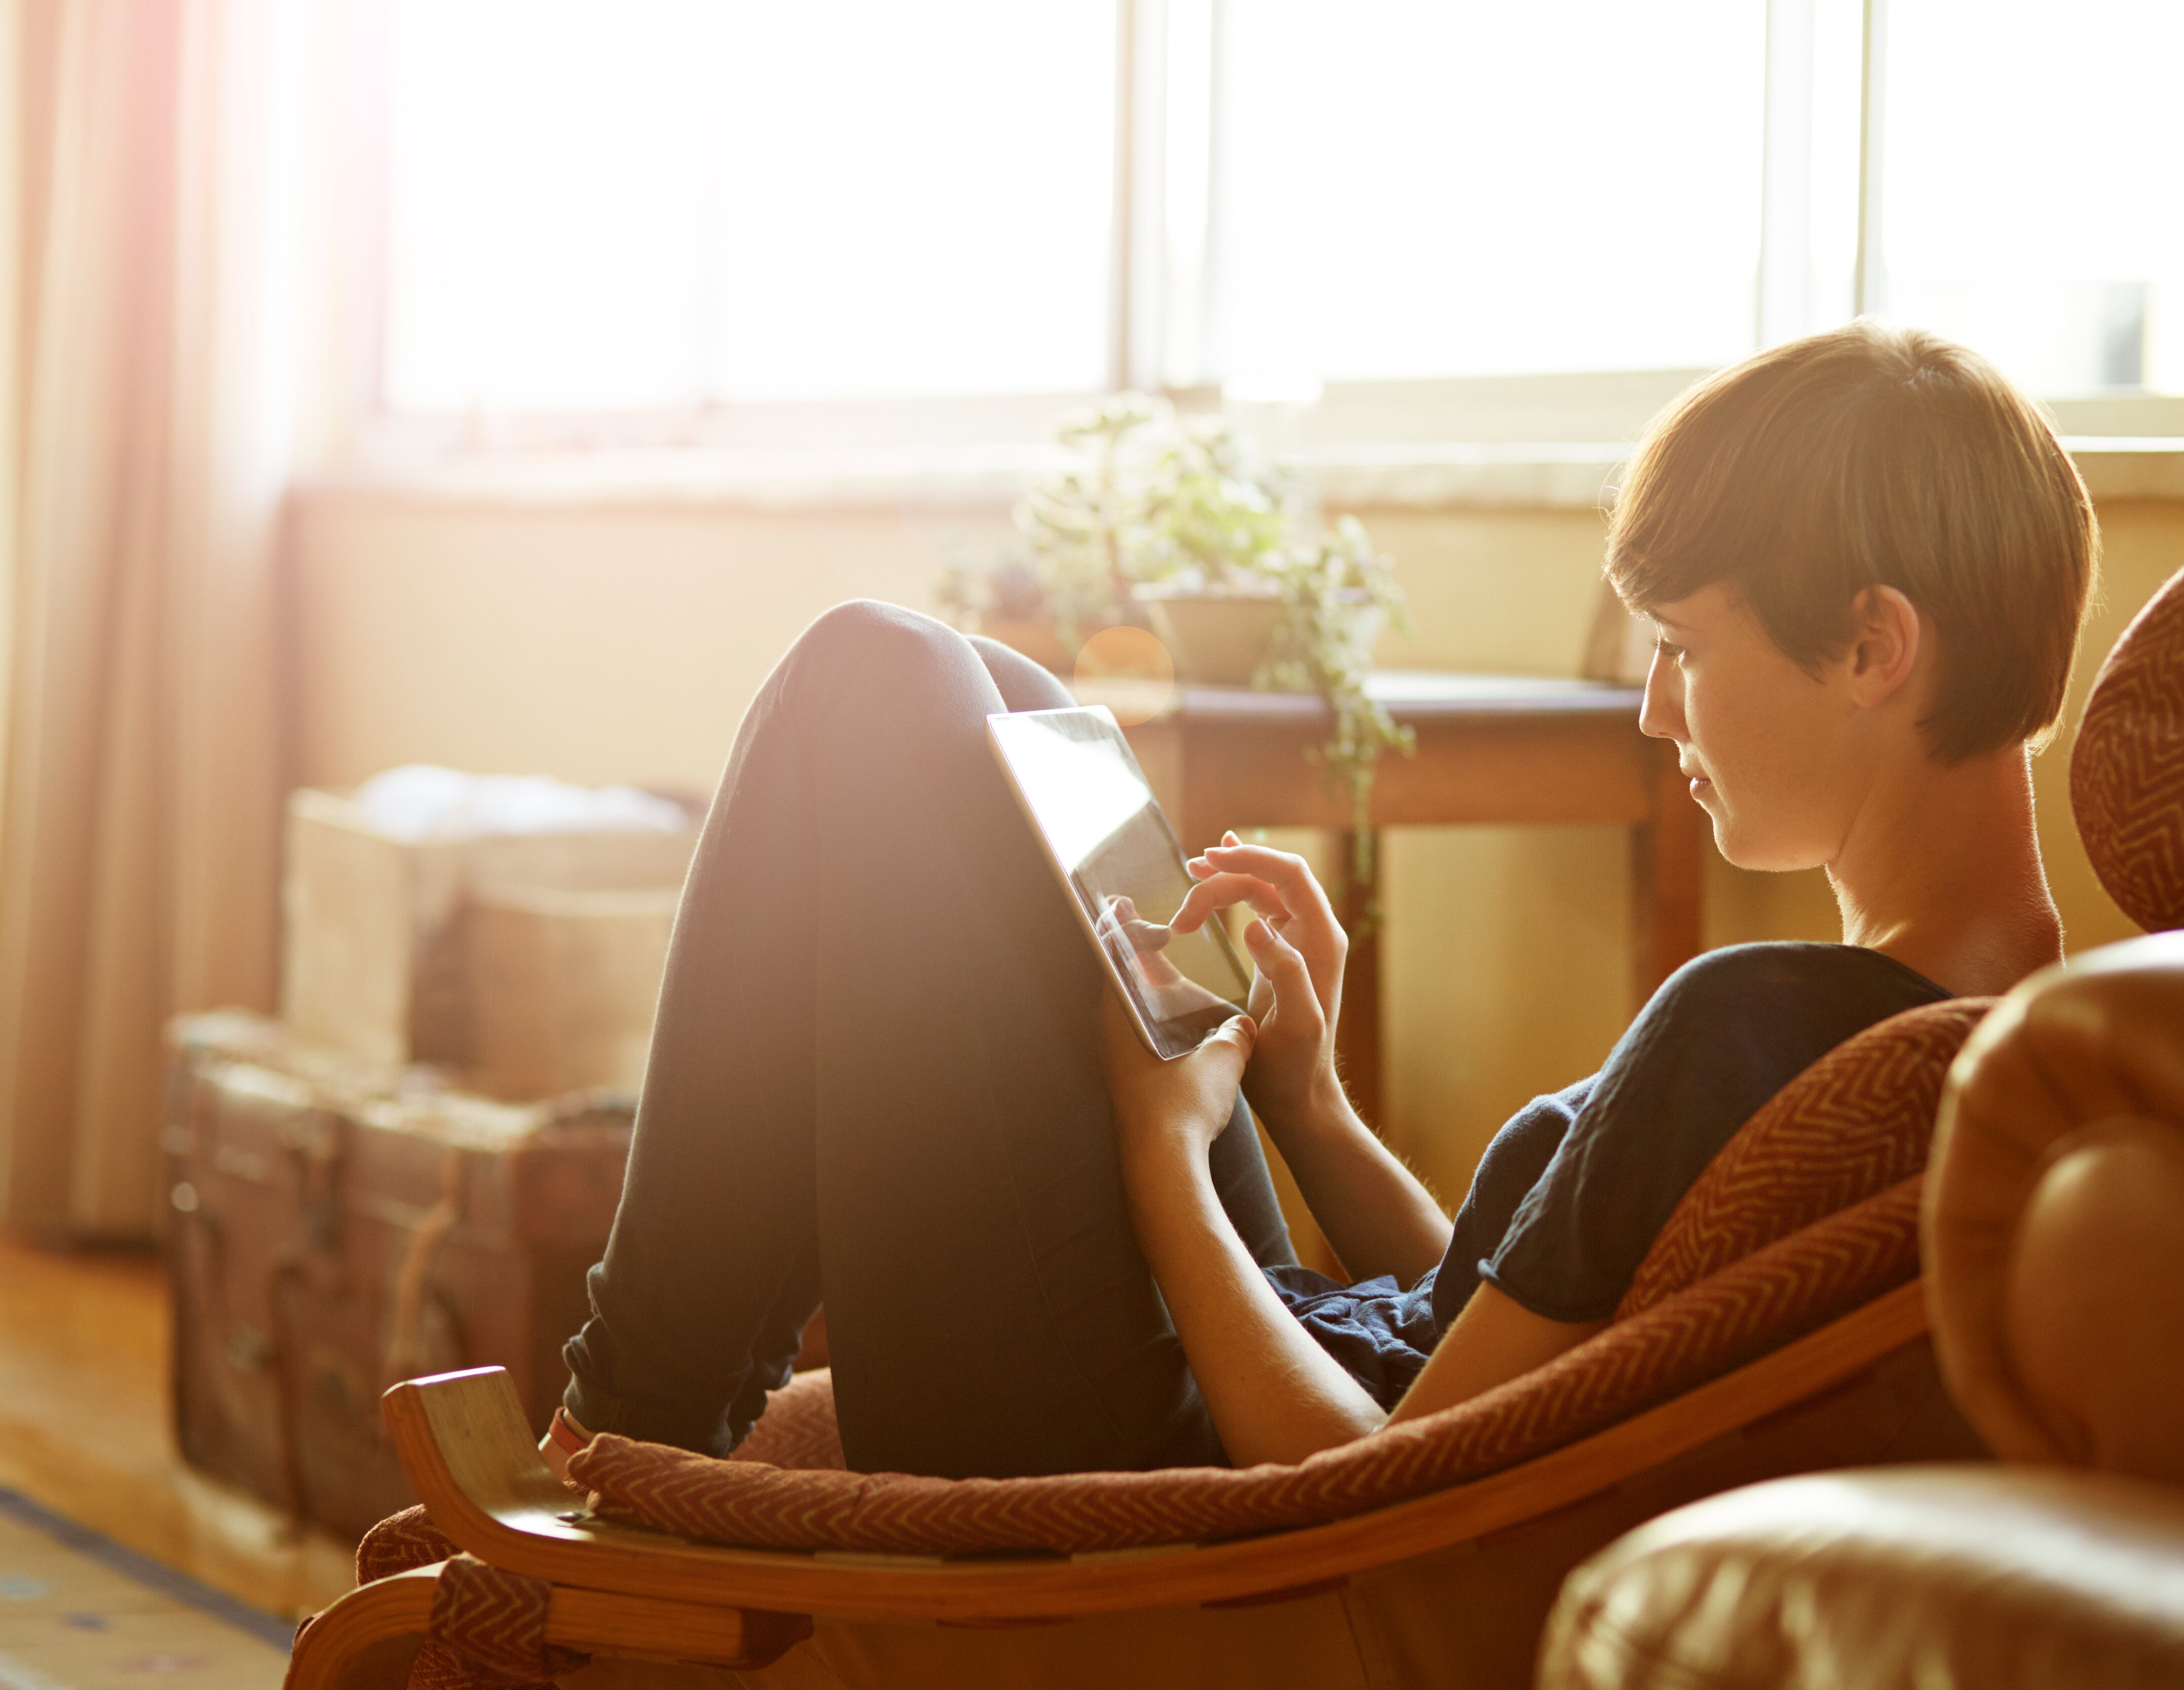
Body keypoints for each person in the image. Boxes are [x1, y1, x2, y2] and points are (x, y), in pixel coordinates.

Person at [544, 321, 2097, 1481]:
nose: (1656, 715)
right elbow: (1495, 1349)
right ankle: (646, 1408)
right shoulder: (1975, 1028)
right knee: (1007, 702)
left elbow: (1373, 1474)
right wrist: (1306, 1101)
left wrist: (1165, 1148)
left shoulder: (1767, 1026)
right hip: (1266, 1363)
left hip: (1177, 1469)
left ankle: (626, 1427)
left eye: (1683, 648)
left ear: (1873, 648)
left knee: (872, 683)